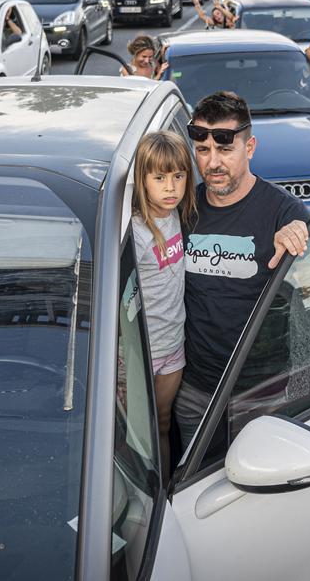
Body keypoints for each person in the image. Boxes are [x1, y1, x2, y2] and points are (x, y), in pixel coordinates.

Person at [175, 91, 310, 447]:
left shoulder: (284, 211)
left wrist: (301, 242)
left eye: (225, 150)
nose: (212, 163)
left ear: (249, 147)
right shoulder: (183, 209)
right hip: (195, 389)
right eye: (203, 151)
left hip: (259, 388)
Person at [129, 131, 197, 470]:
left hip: (173, 345)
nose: (170, 187)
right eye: (159, 178)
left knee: (163, 424)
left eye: (178, 176)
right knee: (136, 434)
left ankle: (165, 490)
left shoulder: (178, 217)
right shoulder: (135, 230)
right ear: (142, 180)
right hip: (140, 354)